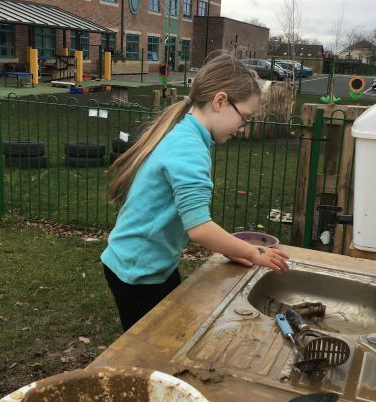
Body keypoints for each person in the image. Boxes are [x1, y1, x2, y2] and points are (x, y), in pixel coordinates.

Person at [101, 53, 290, 331]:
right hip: (138, 272)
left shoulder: (184, 132)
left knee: (174, 331)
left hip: (145, 263)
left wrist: (232, 248)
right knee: (150, 347)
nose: (242, 128)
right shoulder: (189, 147)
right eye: (244, 118)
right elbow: (199, 228)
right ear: (220, 101)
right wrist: (253, 252)